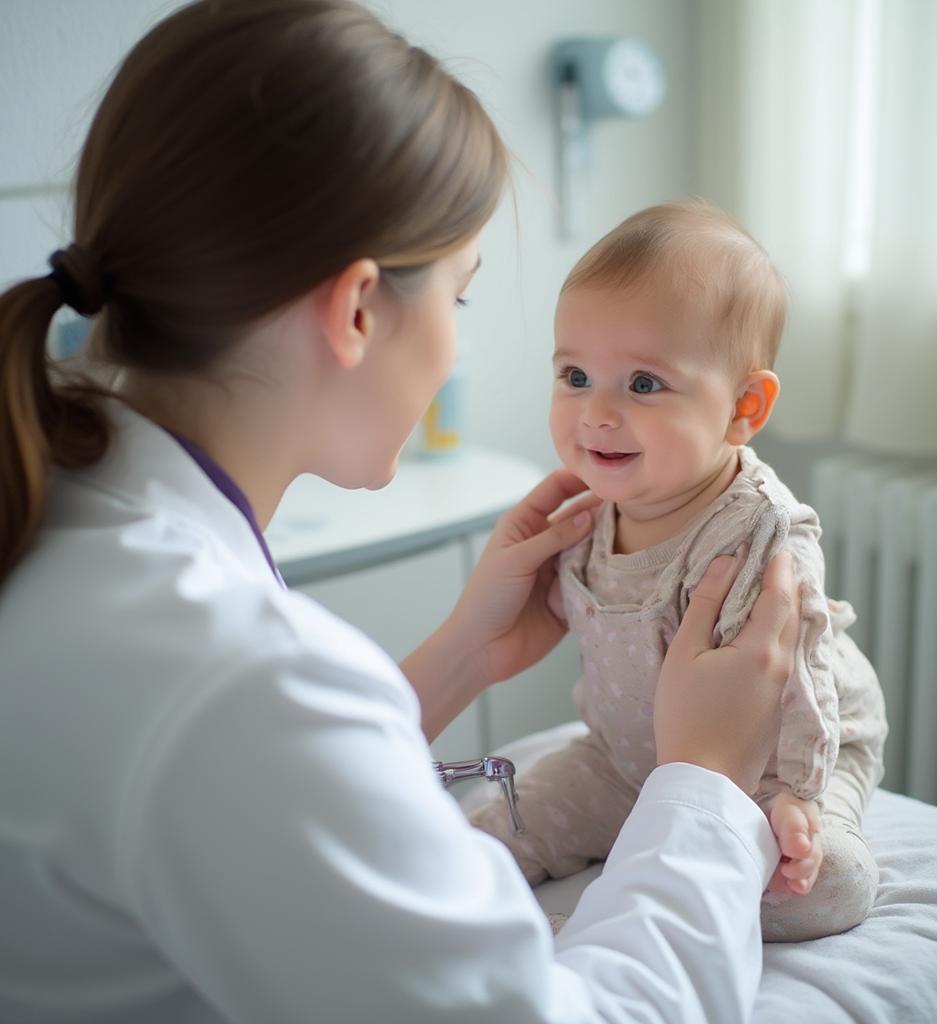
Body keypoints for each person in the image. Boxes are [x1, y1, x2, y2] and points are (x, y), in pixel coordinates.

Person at [0, 4, 799, 1022]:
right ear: (361, 309)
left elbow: (260, 796)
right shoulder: (229, 677)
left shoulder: (71, 511)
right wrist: (704, 779)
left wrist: (464, 650)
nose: (456, 350)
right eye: (458, 299)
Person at [471, 201, 888, 942]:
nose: (595, 413)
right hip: (622, 758)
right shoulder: (593, 507)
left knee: (821, 889)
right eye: (574, 374)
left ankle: (795, 828)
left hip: (759, 764)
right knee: (488, 836)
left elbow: (804, 671)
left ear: (743, 408)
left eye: (642, 385)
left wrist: (797, 794)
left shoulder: (758, 530)